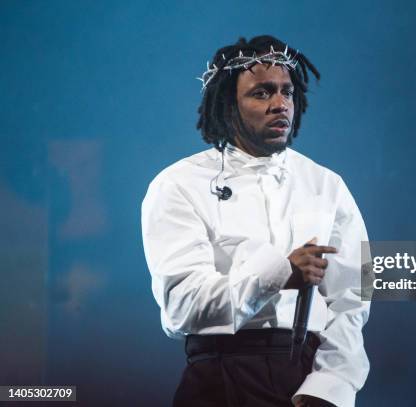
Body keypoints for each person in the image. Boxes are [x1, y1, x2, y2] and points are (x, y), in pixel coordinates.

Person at [141, 35, 370, 407]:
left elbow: (353, 301)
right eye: (262, 93)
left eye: (287, 92)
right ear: (228, 104)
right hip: (220, 374)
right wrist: (279, 273)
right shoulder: (179, 184)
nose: (280, 105)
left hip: (307, 376)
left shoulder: (327, 185)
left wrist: (331, 386)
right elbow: (181, 306)